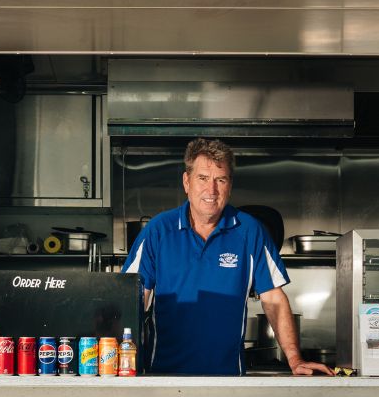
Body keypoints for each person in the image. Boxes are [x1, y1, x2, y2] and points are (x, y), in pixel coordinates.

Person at [122, 138, 332, 376]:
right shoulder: (158, 230)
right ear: (186, 181)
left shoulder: (249, 231)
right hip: (163, 377)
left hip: (228, 379)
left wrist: (295, 359)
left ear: (229, 186)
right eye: (202, 178)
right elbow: (130, 300)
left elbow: (273, 297)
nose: (211, 190)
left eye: (220, 180)